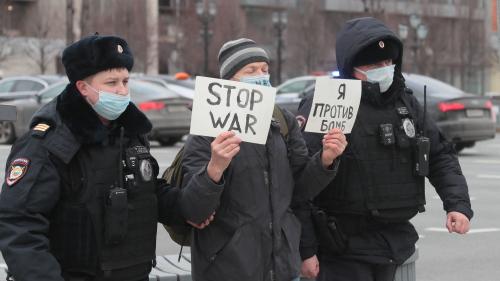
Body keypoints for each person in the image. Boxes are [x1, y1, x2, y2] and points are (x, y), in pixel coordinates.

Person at [296, 17, 473, 281]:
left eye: (389, 62)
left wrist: (457, 204)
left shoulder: (406, 104)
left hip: (397, 244)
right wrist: (306, 250)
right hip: (342, 250)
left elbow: (440, 155)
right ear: (351, 67)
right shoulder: (327, 104)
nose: (384, 69)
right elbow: (299, 188)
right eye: (374, 64)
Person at [0, 35, 185, 281]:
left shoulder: (130, 133)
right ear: (82, 87)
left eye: (125, 81)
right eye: (111, 82)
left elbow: (150, 193)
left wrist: (205, 189)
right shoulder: (49, 143)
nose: (121, 90)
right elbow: (19, 224)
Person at [177, 38, 347, 281]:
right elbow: (193, 210)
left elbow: (299, 191)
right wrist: (214, 168)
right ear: (230, 81)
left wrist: (325, 161)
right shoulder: (207, 130)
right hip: (227, 269)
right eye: (251, 70)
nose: (261, 75)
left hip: (282, 266)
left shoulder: (283, 122)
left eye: (265, 70)